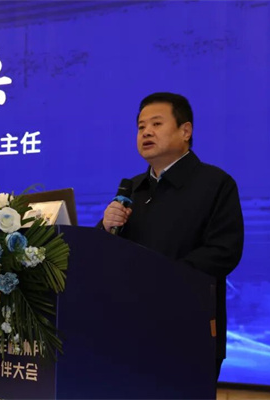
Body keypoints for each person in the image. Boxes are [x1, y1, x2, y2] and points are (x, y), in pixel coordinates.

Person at [101, 92, 244, 380]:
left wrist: (163, 278)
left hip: (189, 330)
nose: (146, 132)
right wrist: (105, 227)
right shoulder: (133, 189)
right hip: (129, 330)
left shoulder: (215, 183)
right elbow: (103, 253)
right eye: (141, 127)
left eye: (156, 124)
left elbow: (224, 251)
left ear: (185, 131)